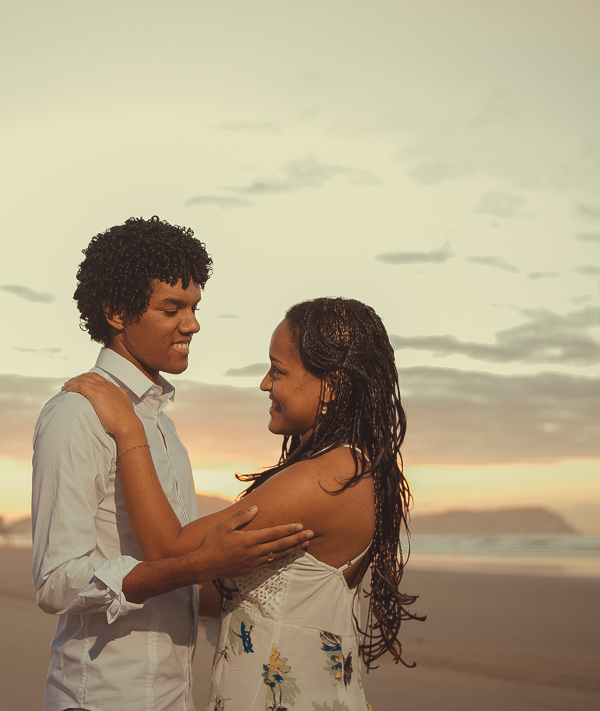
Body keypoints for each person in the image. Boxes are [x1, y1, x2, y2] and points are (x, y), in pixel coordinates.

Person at [63, 297, 423, 711]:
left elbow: (166, 549)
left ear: (333, 386)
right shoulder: (355, 468)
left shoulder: (320, 480)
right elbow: (258, 598)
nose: (265, 384)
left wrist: (129, 428)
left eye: (279, 370)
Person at [32, 216, 313, 711]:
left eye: (194, 307)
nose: (192, 324)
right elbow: (56, 582)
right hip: (102, 697)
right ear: (116, 312)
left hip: (173, 695)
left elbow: (177, 562)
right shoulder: (77, 414)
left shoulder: (161, 423)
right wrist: (198, 565)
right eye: (172, 309)